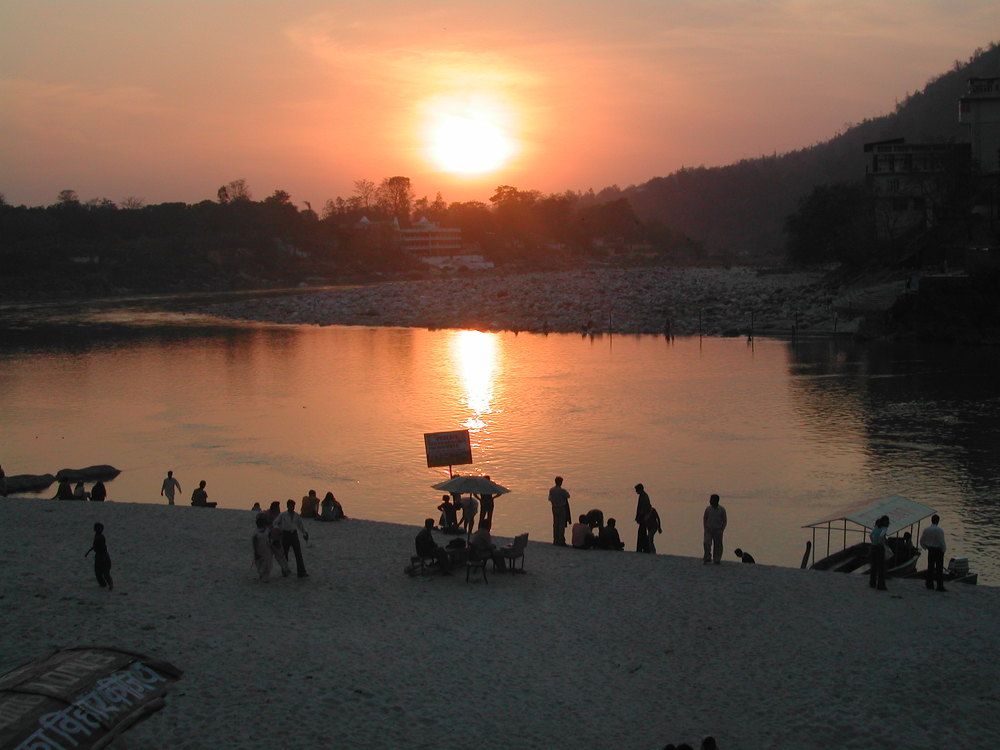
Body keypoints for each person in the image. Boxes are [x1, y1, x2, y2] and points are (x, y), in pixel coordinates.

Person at [276, 499, 309, 578]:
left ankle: (301, 572)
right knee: (285, 554)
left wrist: (304, 533)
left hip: (294, 534)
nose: (292, 507)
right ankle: (285, 570)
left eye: (293, 506)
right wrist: (278, 530)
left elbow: (300, 526)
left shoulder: (296, 515)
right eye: (291, 506)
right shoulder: (283, 515)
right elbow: (276, 523)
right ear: (287, 506)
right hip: (285, 534)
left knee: (298, 553)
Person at [919, 513, 947, 592]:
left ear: (931, 520)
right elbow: (942, 542)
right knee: (939, 569)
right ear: (938, 521)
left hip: (930, 550)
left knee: (930, 567)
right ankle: (939, 586)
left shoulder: (926, 530)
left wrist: (926, 547)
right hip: (938, 550)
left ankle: (929, 584)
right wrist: (943, 550)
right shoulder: (940, 530)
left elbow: (921, 541)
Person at [265, 501, 291, 577]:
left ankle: (285, 570)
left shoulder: (275, 515)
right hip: (273, 539)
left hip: (275, 538)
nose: (279, 509)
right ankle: (285, 570)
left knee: (279, 556)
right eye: (278, 507)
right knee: (279, 556)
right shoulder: (272, 515)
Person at [85, 522, 113, 591]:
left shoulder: (100, 537)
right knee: (98, 573)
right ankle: (103, 585)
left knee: (105, 573)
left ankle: (110, 585)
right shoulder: (97, 536)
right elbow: (95, 546)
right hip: (99, 556)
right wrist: (89, 551)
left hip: (103, 557)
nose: (96, 529)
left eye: (98, 528)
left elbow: (101, 547)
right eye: (96, 528)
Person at [702, 493, 727, 565]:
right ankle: (707, 557)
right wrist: (705, 527)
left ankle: (717, 559)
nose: (710, 501)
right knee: (706, 543)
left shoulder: (722, 510)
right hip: (708, 529)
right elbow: (705, 518)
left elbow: (724, 520)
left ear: (716, 501)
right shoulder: (708, 509)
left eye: (711, 500)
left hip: (718, 530)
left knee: (718, 545)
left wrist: (722, 529)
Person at [548, 476, 571, 546]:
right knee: (561, 525)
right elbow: (568, 496)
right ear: (560, 482)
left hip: (554, 508)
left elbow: (549, 499)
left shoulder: (551, 490)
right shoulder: (562, 491)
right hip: (561, 508)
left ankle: (555, 539)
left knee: (555, 524)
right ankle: (561, 540)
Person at [869, 515, 889, 591]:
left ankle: (872, 583)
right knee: (881, 567)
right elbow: (881, 536)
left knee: (874, 566)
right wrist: (881, 543)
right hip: (879, 548)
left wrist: (873, 542)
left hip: (873, 547)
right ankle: (881, 585)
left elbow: (871, 535)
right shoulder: (884, 528)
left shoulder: (876, 527)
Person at [252, 513, 273, 582]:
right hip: (259, 549)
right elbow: (254, 542)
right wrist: (256, 552)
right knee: (259, 563)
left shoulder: (267, 530)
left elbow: (270, 537)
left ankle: (265, 577)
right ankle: (262, 575)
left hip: (267, 549)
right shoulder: (256, 532)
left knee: (267, 563)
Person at [634, 483, 652, 552]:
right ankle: (644, 548)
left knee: (642, 533)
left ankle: (642, 548)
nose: (636, 491)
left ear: (640, 489)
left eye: (636, 490)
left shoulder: (644, 496)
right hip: (643, 517)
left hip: (644, 518)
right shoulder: (642, 496)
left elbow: (644, 509)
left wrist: (640, 517)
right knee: (642, 533)